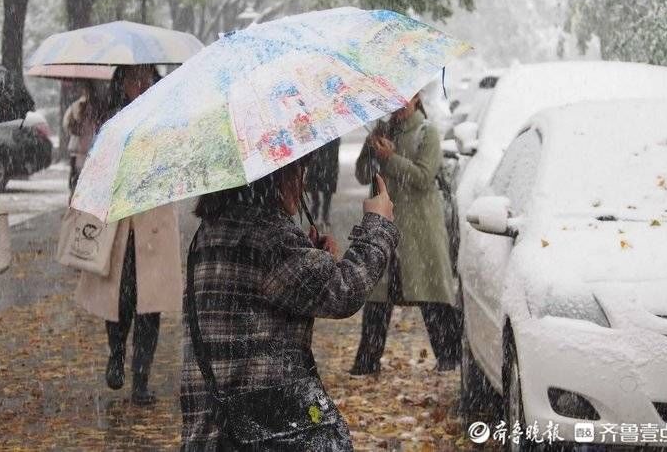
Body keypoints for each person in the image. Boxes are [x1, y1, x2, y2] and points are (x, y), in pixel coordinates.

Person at [181, 157, 398, 450]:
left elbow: (258, 296)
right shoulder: (270, 235)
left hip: (213, 425)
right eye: (298, 170)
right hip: (266, 428)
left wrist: (313, 260)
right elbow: (344, 291)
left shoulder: (211, 230)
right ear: (274, 177)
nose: (302, 182)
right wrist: (378, 225)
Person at [74, 64, 181, 406]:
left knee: (150, 306)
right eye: (134, 78)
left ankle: (141, 378)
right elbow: (97, 168)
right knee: (118, 300)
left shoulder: (168, 119)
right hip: (119, 225)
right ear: (122, 83)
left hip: (154, 225)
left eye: (146, 77)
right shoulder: (112, 122)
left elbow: (177, 167)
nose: (141, 84)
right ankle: (116, 354)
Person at [350, 92, 460, 375]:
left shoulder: (428, 132)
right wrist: (371, 151)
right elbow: (363, 175)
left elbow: (423, 178)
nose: (398, 106)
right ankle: (367, 362)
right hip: (385, 225)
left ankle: (450, 359)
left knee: (430, 293)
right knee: (378, 297)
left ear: (417, 98)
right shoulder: (381, 132)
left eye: (405, 99)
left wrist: (392, 158)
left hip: (420, 230)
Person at [62, 80, 108, 197]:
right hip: (87, 150)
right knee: (82, 181)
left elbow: (67, 124)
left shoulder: (75, 106)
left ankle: (74, 200)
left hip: (79, 150)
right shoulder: (97, 108)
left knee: (76, 181)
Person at [305, 137, 340, 231]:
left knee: (326, 199)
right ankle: (315, 219)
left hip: (328, 169)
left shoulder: (333, 137)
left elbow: (333, 153)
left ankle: (324, 219)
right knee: (316, 199)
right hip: (317, 170)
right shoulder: (315, 136)